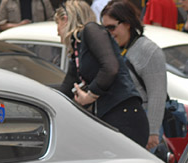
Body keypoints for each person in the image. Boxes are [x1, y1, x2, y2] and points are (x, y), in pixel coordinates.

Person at [58, 0, 149, 146]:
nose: (57, 31)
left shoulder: (91, 30)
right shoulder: (78, 47)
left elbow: (110, 67)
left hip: (124, 116)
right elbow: (67, 86)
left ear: (65, 19)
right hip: (110, 118)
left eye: (57, 24)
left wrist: (90, 95)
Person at [101, 0, 166, 152]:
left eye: (112, 27)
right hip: (121, 126)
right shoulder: (114, 48)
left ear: (127, 23)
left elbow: (157, 94)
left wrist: (152, 132)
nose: (109, 34)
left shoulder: (149, 50)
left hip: (143, 126)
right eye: (104, 29)